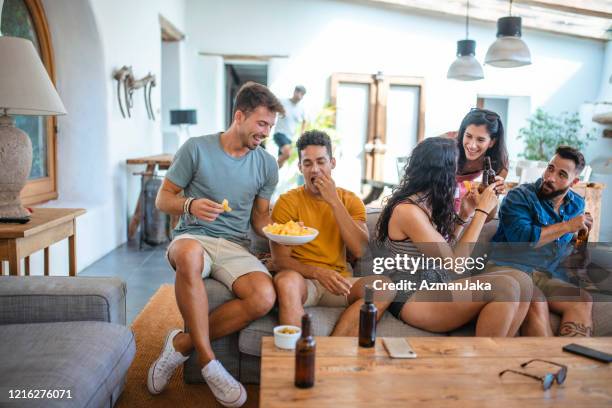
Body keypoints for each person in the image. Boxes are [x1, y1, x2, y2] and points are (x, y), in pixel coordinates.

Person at [148, 82, 284, 407]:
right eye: (262, 124)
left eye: (270, 127)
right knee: (188, 254)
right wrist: (190, 205)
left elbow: (260, 219)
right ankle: (210, 363)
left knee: (264, 296)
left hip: (236, 246)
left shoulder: (267, 164)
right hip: (194, 237)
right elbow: (162, 199)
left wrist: (285, 236)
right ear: (240, 116)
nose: (266, 133)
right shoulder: (195, 148)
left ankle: (182, 344)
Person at [376, 137, 538, 337]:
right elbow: (455, 265)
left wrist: (464, 215)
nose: (459, 174)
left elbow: (445, 252)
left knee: (522, 280)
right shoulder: (408, 211)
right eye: (456, 167)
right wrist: (481, 211)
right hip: (410, 296)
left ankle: (498, 355)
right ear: (442, 171)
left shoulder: (428, 202)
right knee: (505, 287)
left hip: (436, 285)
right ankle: (484, 360)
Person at [271, 130, 392, 335]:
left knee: (384, 286)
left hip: (339, 282)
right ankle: (297, 356)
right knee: (285, 280)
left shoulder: (350, 200)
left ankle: (332, 351)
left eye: (321, 162)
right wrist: (317, 273)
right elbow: (281, 260)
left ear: (332, 163)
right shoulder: (287, 202)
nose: (315, 170)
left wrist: (334, 201)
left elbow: (361, 250)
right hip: (302, 281)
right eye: (308, 163)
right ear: (300, 167)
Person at [490, 145, 594, 337]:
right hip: (507, 269)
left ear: (574, 181)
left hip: (545, 274)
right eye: (550, 168)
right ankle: (547, 363)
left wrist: (579, 250)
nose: (550, 177)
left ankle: (575, 365)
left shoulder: (576, 204)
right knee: (536, 300)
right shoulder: (519, 196)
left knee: (583, 299)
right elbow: (521, 242)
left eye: (562, 174)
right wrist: (568, 226)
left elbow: (574, 240)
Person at [454, 108, 509, 213]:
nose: (472, 145)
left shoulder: (498, 163)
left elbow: (489, 213)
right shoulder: (446, 145)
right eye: (468, 136)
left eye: (480, 140)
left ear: (492, 142)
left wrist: (491, 193)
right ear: (462, 133)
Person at [273, 85, 307, 168]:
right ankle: (270, 171)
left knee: (281, 161)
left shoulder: (301, 109)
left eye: (301, 94)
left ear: (303, 96)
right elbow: (271, 108)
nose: (299, 95)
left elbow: (304, 120)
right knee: (287, 153)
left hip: (289, 138)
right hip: (279, 133)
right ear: (294, 92)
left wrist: (302, 132)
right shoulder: (282, 102)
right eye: (298, 92)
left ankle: (272, 175)